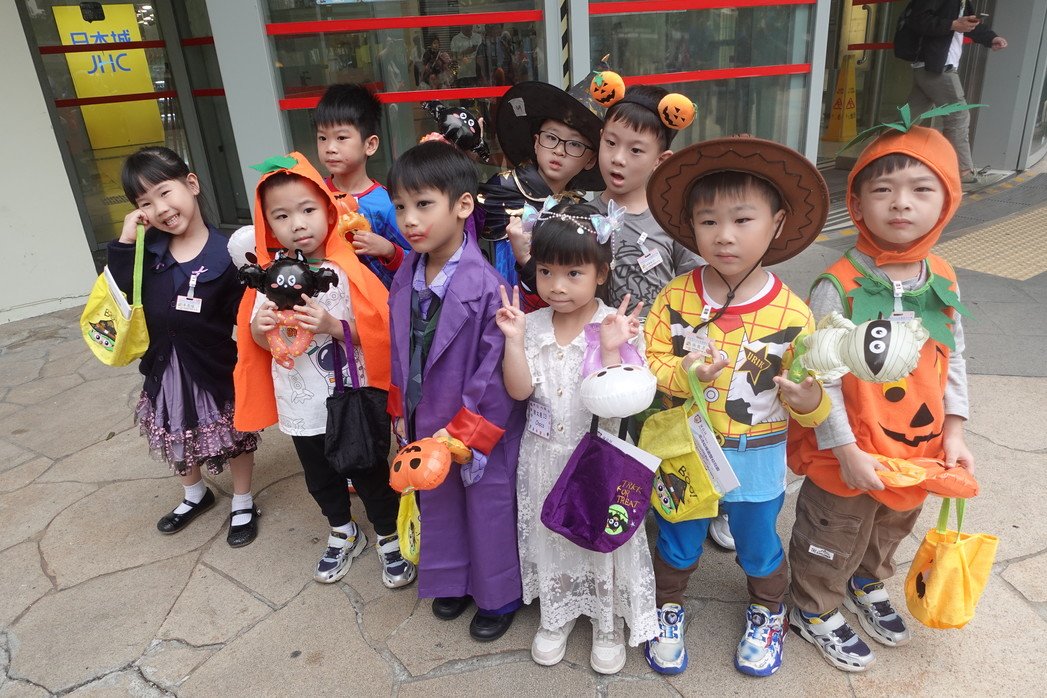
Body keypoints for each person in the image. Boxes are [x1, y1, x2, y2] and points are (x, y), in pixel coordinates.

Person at [642, 136, 833, 677]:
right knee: (678, 533)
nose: (724, 235)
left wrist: (809, 401)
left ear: (776, 223)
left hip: (757, 452)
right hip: (685, 447)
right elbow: (650, 360)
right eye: (708, 221)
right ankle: (667, 606)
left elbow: (813, 398)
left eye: (743, 219)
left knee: (756, 539)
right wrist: (684, 374)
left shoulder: (793, 314)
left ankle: (768, 610)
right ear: (692, 226)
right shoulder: (676, 296)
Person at [787, 124, 972, 672]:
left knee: (893, 522)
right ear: (857, 204)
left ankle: (865, 581)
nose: (901, 203)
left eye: (921, 189)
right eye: (884, 190)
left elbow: (954, 355)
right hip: (846, 446)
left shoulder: (942, 277)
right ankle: (813, 606)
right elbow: (820, 376)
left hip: (916, 444)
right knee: (832, 527)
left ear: (946, 202)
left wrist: (955, 429)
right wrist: (844, 449)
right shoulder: (838, 284)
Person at [232, 153, 415, 589]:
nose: (298, 224)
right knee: (320, 478)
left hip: (348, 401)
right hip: (301, 404)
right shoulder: (270, 278)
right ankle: (343, 531)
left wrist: (334, 326)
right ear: (267, 225)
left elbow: (378, 333)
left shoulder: (346, 271)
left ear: (329, 210)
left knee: (368, 471)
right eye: (282, 216)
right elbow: (259, 343)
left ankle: (387, 534)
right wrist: (259, 329)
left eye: (307, 210)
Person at [496, 200, 656, 674]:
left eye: (573, 273)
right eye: (546, 271)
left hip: (599, 460)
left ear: (601, 272)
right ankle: (558, 612)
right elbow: (519, 391)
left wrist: (611, 350)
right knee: (553, 533)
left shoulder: (616, 326)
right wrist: (513, 340)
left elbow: (623, 403)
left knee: (601, 535)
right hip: (544, 455)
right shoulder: (532, 325)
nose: (557, 286)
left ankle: (607, 623)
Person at [386, 141, 527, 643]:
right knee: (441, 503)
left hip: (475, 426)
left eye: (424, 204)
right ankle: (453, 580)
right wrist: (399, 410)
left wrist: (466, 433)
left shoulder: (486, 284)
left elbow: (494, 374)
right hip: (425, 413)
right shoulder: (407, 272)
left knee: (486, 509)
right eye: (400, 206)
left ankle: (498, 595)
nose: (409, 219)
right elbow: (398, 350)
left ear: (463, 205)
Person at [112, 146, 259, 547]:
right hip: (162, 366)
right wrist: (126, 240)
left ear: (191, 184)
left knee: (234, 436)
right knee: (174, 430)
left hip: (212, 366)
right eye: (145, 202)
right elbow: (119, 291)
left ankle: (242, 500)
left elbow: (244, 316)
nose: (160, 208)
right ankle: (195, 493)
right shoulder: (147, 251)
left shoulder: (227, 254)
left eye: (164, 192)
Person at [587, 84, 702, 312]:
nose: (618, 158)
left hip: (656, 333)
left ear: (660, 160)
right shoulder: (581, 217)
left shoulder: (672, 222)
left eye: (636, 150)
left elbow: (697, 287)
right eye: (611, 143)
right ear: (600, 138)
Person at [480, 78, 604, 288]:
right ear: (536, 142)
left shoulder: (578, 212)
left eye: (574, 144)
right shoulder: (502, 187)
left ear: (591, 160)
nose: (559, 150)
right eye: (551, 138)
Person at [316, 83, 410, 288]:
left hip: (375, 301)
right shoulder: (314, 193)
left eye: (341, 138)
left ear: (370, 145)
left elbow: (418, 261)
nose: (330, 148)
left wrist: (389, 250)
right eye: (322, 138)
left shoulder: (387, 204)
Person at [903, 1, 1007, 186]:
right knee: (958, 115)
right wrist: (952, 24)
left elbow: (969, 25)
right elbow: (917, 20)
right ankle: (962, 172)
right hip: (938, 67)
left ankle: (876, 157)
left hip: (931, 65)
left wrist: (991, 38)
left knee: (907, 120)